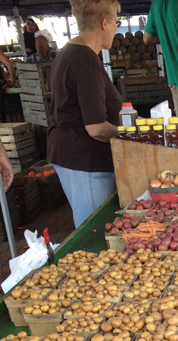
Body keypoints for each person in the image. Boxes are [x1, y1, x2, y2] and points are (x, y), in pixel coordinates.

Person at [48, 0, 123, 229]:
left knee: (90, 224)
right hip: (84, 159)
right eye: (116, 22)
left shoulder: (69, 52)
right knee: (95, 229)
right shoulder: (85, 59)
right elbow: (96, 127)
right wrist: (130, 134)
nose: (116, 28)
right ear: (104, 23)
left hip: (71, 154)